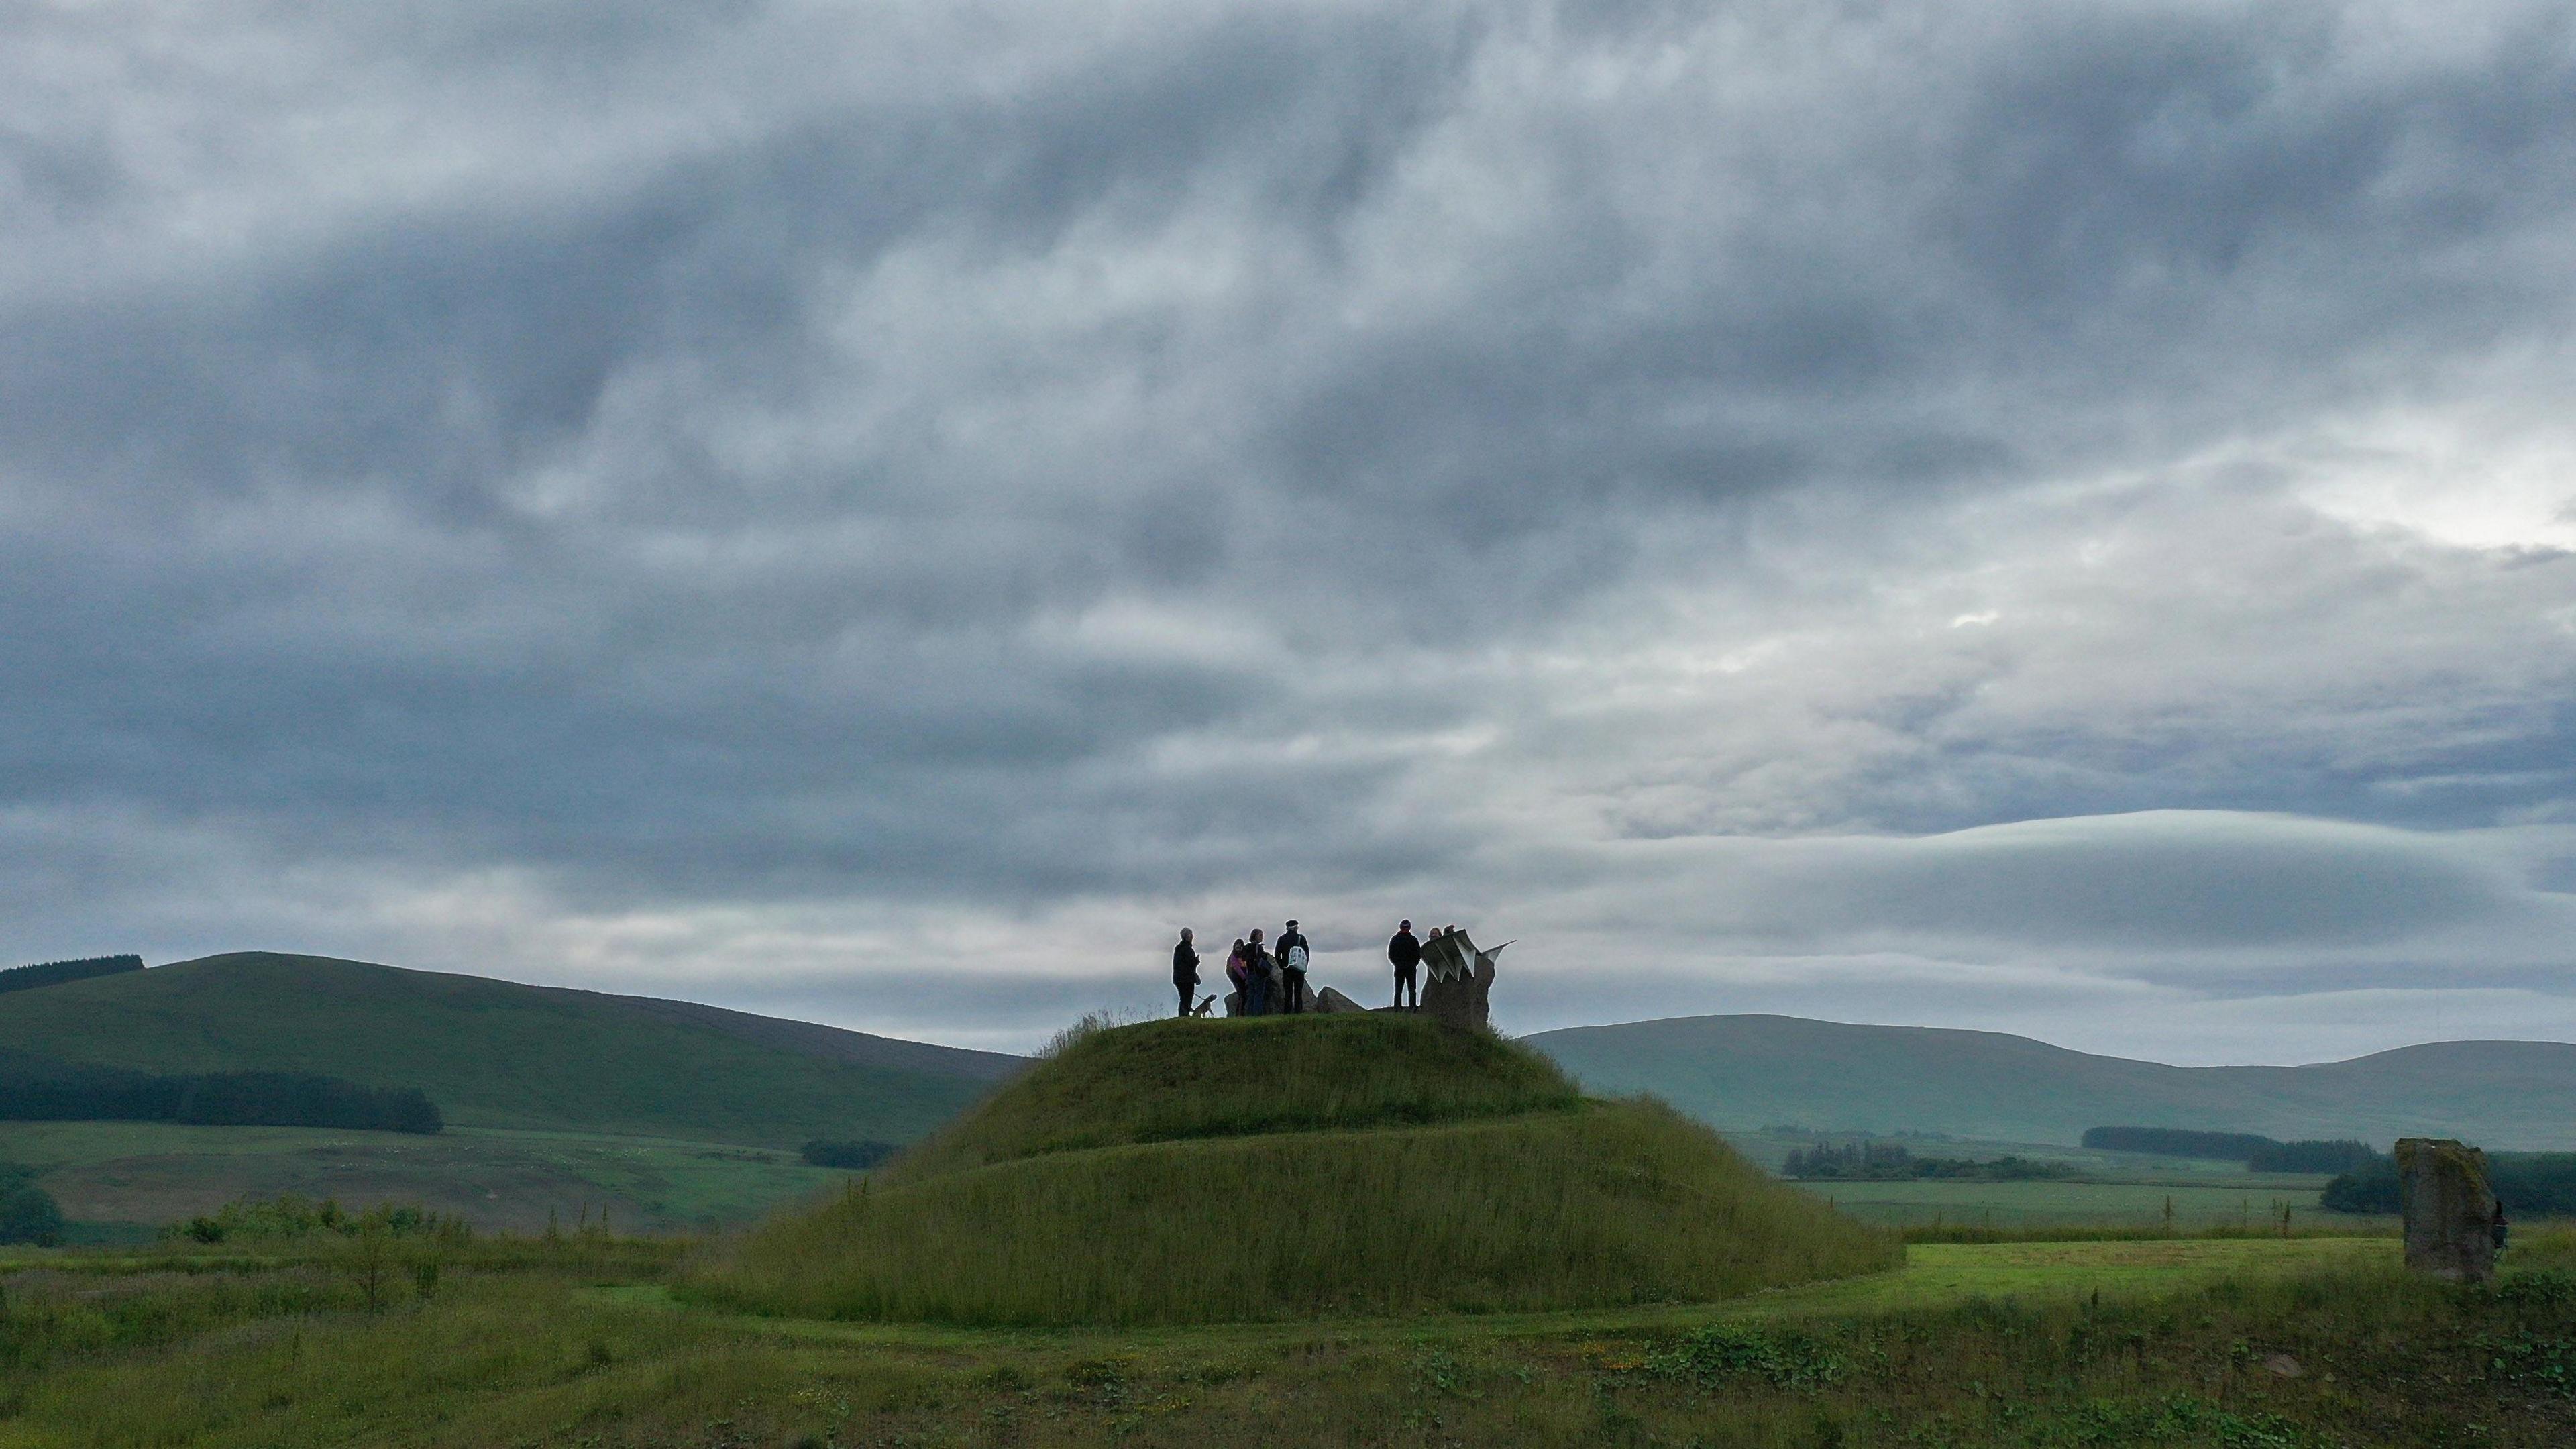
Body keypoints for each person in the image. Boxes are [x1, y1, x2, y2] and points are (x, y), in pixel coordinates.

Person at [1277, 919, 1311, 1014]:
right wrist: (1304, 966)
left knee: (1288, 992)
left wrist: (1282, 966)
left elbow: (1277, 954)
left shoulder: (1282, 939)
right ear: (1296, 927)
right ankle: (1298, 1011)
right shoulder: (1301, 938)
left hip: (1287, 969)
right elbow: (1306, 953)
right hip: (1299, 969)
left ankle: (1287, 1011)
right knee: (1298, 992)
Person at [1387, 919, 1421, 1010]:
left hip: (1401, 967)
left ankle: (1399, 1007)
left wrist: (1397, 963)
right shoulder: (1413, 940)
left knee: (1400, 988)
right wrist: (1413, 964)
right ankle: (1412, 1007)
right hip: (1409, 967)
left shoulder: (1395, 939)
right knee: (1410, 988)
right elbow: (1418, 955)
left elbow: (1391, 955)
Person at [1171, 928, 1199, 1018]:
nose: (1192, 937)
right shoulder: (1188, 949)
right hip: (1187, 979)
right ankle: (1184, 1016)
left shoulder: (1178, 949)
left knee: (1183, 999)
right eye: (1191, 935)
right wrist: (1196, 961)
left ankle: (1182, 1016)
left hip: (1178, 978)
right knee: (1187, 999)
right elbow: (1191, 964)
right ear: (1189, 937)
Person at [1246, 928, 1273, 1016]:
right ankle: (1257, 1014)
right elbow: (1260, 958)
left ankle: (1248, 1013)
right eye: (1260, 935)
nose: (1262, 937)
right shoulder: (1258, 947)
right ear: (1256, 936)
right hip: (1258, 973)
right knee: (1259, 995)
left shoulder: (1248, 947)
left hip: (1250, 973)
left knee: (1251, 995)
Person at [1224, 938, 1250, 1015]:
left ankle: (1241, 1013)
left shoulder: (1245, 955)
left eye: (1240, 947)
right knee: (1242, 996)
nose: (1239, 949)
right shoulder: (1233, 956)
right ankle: (1239, 1014)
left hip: (1244, 978)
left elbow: (1247, 965)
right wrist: (1245, 977)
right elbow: (1237, 968)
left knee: (1245, 996)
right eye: (1237, 947)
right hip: (1237, 978)